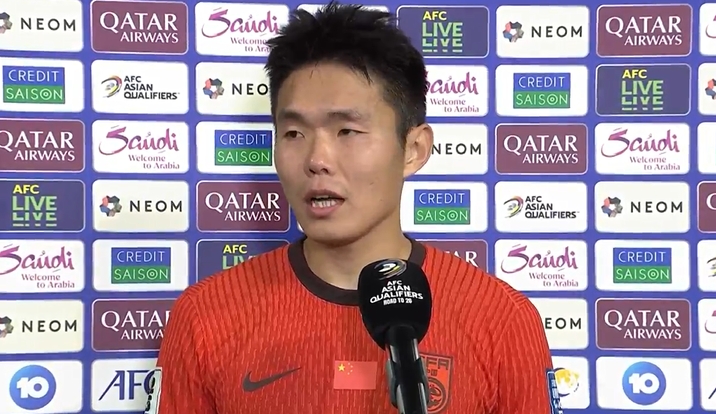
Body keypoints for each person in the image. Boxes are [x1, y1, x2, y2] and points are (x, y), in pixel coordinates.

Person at [146, 3, 559, 414]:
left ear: (414, 149)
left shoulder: (500, 319)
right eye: (293, 133)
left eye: (347, 130)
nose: (317, 159)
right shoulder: (205, 316)